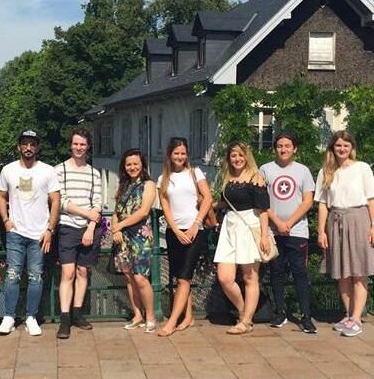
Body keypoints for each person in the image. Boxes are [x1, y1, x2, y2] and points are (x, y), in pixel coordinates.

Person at [316, 130, 374, 338]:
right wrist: (321, 231)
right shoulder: (325, 172)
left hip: (358, 219)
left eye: (346, 145)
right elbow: (323, 204)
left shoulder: (362, 168)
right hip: (336, 221)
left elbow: (371, 199)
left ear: (352, 148)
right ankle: (348, 314)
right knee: (342, 272)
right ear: (332, 148)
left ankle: (356, 317)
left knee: (359, 271)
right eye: (338, 145)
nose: (342, 149)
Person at [0, 130, 60, 336]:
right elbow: (0, 195)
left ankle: (31, 316)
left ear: (37, 147)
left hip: (39, 234)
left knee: (35, 277)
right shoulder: (8, 170)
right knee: (12, 275)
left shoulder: (48, 171)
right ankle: (9, 317)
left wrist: (50, 229)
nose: (28, 148)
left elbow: (56, 200)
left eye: (32, 144)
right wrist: (6, 220)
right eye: (25, 144)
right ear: (19, 147)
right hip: (16, 232)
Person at [260, 132, 317, 334]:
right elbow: (262, 201)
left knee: (300, 273)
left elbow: (308, 200)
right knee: (276, 272)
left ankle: (306, 316)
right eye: (280, 146)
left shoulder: (303, 171)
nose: (283, 149)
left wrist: (289, 223)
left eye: (287, 146)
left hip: (297, 231)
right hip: (273, 231)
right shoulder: (265, 169)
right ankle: (280, 311)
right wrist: (277, 222)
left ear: (295, 149)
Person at [156, 137, 213, 337]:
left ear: (187, 154)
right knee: (180, 276)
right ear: (170, 155)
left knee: (184, 278)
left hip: (195, 232)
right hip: (175, 233)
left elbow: (208, 198)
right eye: (176, 153)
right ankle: (188, 316)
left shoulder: (195, 173)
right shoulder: (163, 179)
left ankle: (171, 321)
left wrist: (196, 225)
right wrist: (176, 231)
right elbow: (166, 208)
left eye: (183, 153)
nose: (180, 156)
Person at [214, 141, 271, 335]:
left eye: (240, 155)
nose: (237, 159)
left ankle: (246, 321)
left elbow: (263, 210)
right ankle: (242, 310)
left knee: (249, 277)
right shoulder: (227, 177)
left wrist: (264, 236)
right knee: (225, 277)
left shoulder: (256, 178)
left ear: (247, 156)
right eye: (233, 156)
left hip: (249, 226)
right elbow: (226, 202)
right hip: (229, 227)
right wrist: (210, 204)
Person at [54, 128, 103, 339]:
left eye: (82, 144)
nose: (79, 148)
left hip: (88, 229)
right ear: (70, 145)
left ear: (88, 147)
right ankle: (64, 319)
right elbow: (61, 202)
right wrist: (86, 213)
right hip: (67, 226)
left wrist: (91, 227)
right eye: (76, 144)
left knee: (83, 272)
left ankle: (77, 313)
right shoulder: (59, 170)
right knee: (68, 273)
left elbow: (98, 203)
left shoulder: (94, 173)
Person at [111, 148, 157, 333]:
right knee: (129, 278)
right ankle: (137, 315)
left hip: (140, 236)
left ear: (142, 164)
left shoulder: (148, 185)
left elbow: (143, 211)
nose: (132, 167)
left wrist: (119, 226)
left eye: (135, 164)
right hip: (123, 238)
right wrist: (115, 229)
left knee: (140, 278)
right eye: (129, 164)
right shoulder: (123, 185)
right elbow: (116, 211)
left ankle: (151, 316)